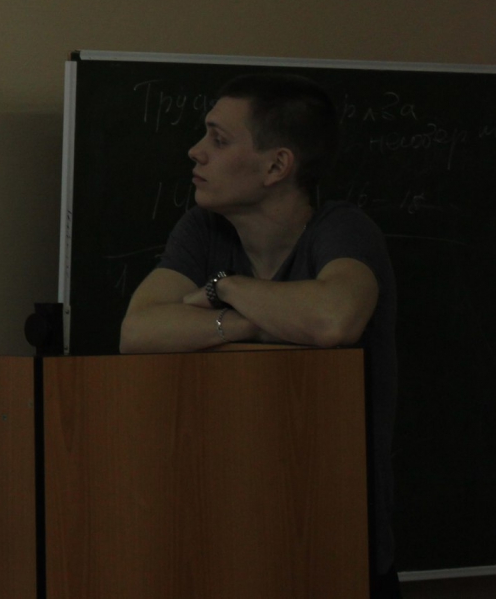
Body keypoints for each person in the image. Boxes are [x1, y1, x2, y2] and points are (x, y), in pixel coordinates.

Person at [119, 73, 398, 598]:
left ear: (276, 166)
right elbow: (138, 330)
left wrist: (224, 287)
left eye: (219, 139)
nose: (196, 151)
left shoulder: (342, 229)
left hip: (333, 542)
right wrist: (248, 322)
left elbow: (333, 319)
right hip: (226, 534)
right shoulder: (203, 230)